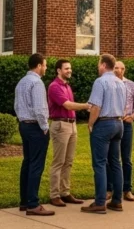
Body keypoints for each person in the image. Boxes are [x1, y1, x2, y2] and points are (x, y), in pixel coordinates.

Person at [81, 53, 127, 214]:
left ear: (103, 65)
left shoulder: (100, 82)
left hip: (104, 124)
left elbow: (96, 106)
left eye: (98, 63)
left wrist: (90, 123)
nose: (97, 66)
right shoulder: (121, 83)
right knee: (115, 162)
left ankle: (100, 202)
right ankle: (117, 201)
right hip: (119, 123)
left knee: (99, 163)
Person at [14, 53, 54, 216]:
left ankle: (24, 201)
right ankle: (33, 204)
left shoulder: (21, 82)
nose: (45, 68)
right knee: (37, 165)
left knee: (28, 163)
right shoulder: (36, 83)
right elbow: (40, 109)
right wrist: (44, 126)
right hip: (36, 127)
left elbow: (16, 106)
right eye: (44, 65)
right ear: (38, 66)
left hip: (24, 125)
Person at [47, 59, 90, 207]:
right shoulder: (54, 87)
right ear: (58, 70)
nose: (69, 71)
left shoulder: (67, 86)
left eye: (70, 68)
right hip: (60, 125)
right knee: (58, 162)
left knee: (69, 162)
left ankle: (65, 193)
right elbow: (67, 105)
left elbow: (70, 108)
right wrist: (86, 106)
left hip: (72, 125)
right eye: (66, 69)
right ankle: (54, 195)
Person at [106, 60, 134, 202]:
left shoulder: (132, 85)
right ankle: (109, 189)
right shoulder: (107, 83)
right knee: (111, 158)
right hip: (112, 122)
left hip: (126, 125)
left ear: (124, 70)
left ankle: (127, 189)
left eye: (121, 68)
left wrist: (133, 115)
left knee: (126, 158)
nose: (118, 70)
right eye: (116, 67)